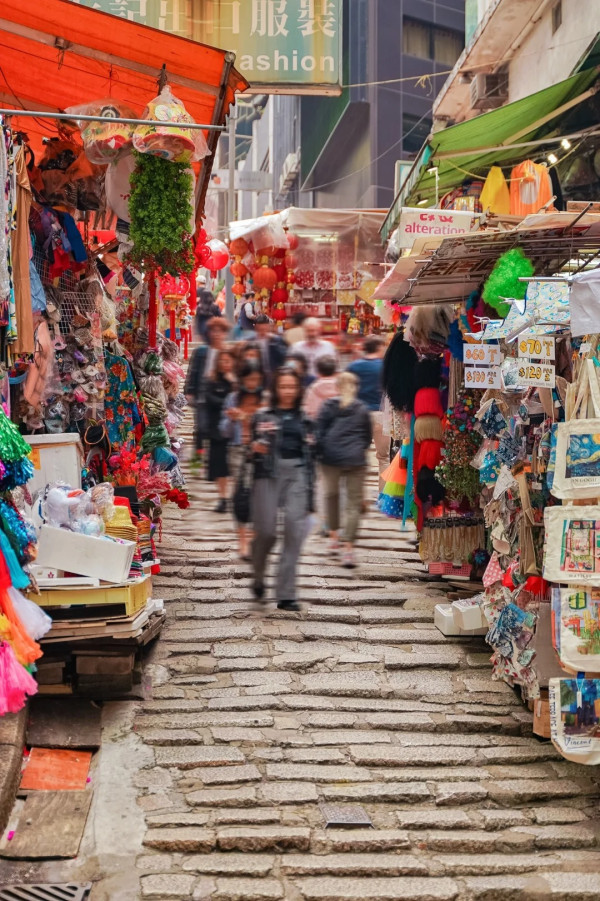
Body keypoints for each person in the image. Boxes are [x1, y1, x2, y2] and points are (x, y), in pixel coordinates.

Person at [250, 367, 314, 612]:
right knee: (266, 532)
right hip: (267, 475)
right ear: (276, 388)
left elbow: (311, 456)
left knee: (293, 531)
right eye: (283, 386)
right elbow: (250, 449)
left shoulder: (306, 420)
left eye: (292, 386)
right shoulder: (262, 416)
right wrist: (255, 448)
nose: (287, 391)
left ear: (298, 390)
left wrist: (311, 492)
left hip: (296, 474)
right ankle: (258, 573)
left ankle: (286, 593)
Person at [317, 372, 372, 569]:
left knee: (331, 496)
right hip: (355, 459)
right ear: (355, 388)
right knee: (353, 503)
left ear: (337, 387)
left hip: (330, 459)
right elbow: (366, 437)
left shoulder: (327, 406)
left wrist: (322, 451)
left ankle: (333, 537)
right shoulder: (362, 409)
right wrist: (357, 449)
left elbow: (319, 432)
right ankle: (348, 549)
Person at [220, 364, 264, 560]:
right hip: (238, 450)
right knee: (240, 495)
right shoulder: (232, 399)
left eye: (256, 380)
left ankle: (254, 536)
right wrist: (232, 419)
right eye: (249, 380)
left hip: (261, 451)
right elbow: (224, 431)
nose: (252, 384)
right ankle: (243, 540)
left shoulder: (266, 401)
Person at [184, 317, 231, 468]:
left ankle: (214, 463)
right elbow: (193, 371)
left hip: (221, 396)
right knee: (201, 428)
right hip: (203, 394)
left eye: (220, 331)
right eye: (213, 331)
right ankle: (196, 463)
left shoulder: (227, 353)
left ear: (225, 333)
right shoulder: (201, 352)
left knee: (218, 430)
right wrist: (189, 390)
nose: (216, 334)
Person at [347, 335, 389, 492]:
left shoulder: (354, 366)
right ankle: (383, 495)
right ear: (379, 348)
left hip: (359, 415)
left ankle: (357, 493)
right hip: (381, 414)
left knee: (357, 455)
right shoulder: (385, 366)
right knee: (383, 457)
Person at [205, 350, 236, 513]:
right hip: (218, 429)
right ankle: (223, 497)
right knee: (220, 467)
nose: (225, 364)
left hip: (235, 430)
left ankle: (235, 496)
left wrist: (233, 384)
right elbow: (210, 401)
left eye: (228, 361)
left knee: (236, 465)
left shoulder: (237, 382)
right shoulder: (212, 381)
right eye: (222, 361)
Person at [254, 314, 288, 387]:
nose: (262, 332)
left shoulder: (276, 340)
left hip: (273, 375)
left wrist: (274, 343)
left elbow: (283, 356)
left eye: (264, 329)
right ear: (256, 328)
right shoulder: (252, 341)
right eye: (260, 330)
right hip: (258, 376)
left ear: (268, 327)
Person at [303, 355, 339, 422]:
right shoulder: (342, 387)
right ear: (335, 372)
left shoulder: (312, 388)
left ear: (318, 372)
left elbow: (308, 411)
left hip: (318, 425)